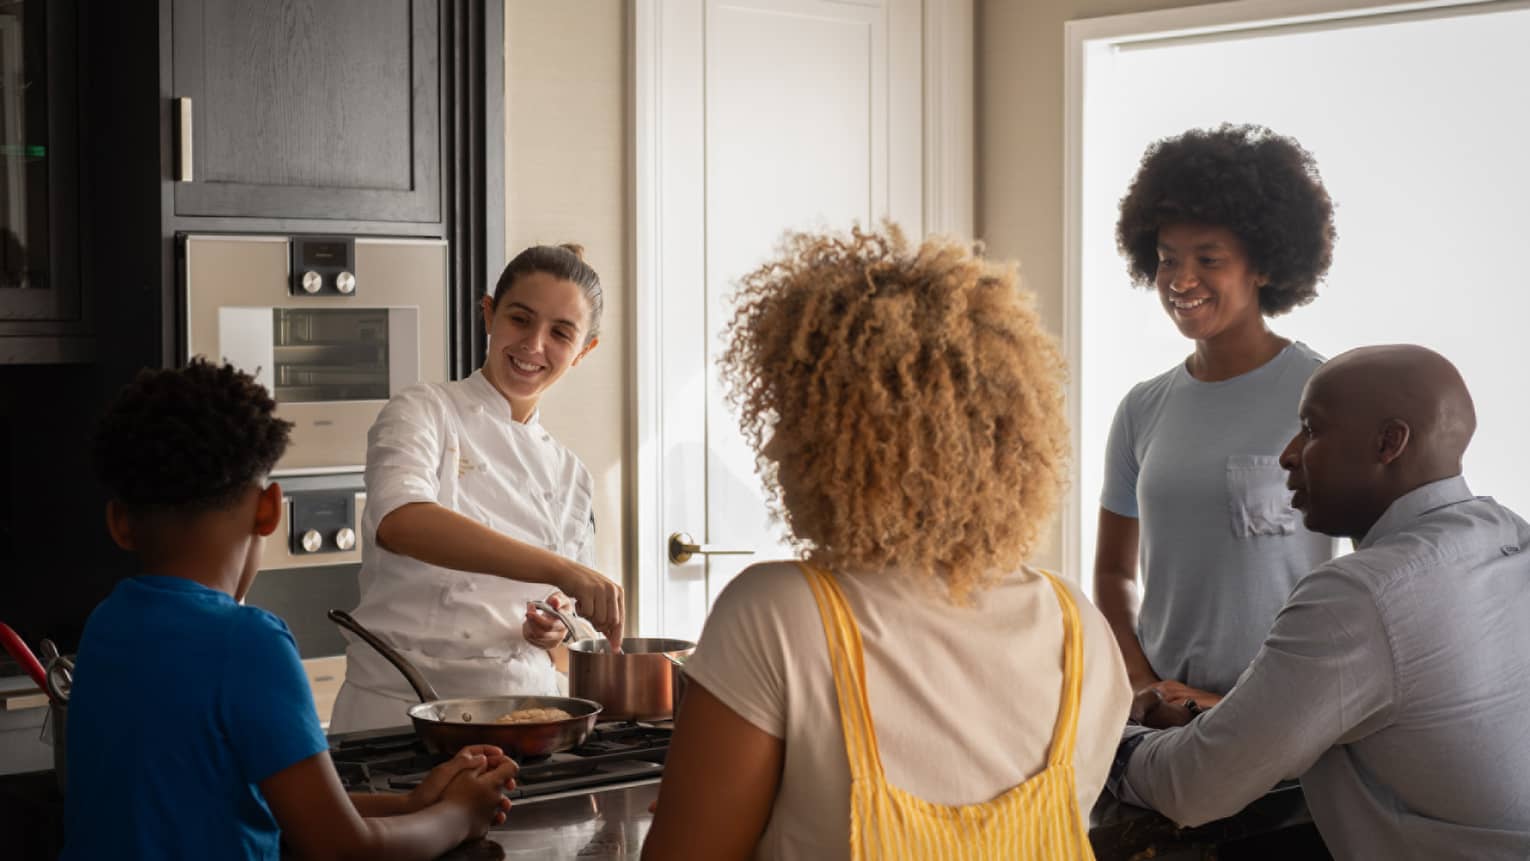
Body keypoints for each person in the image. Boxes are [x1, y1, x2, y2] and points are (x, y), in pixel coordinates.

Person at [642, 227, 1132, 860]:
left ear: (841, 437)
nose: (772, 447)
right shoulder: (1081, 628)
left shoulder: (779, 613)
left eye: (792, 418)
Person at [64, 359, 519, 861]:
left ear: (120, 523)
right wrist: (458, 816)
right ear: (269, 509)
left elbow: (260, 801)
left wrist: (413, 803)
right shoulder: (247, 642)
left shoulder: (107, 624)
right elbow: (339, 846)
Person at [1114, 345, 1530, 860]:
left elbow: (1193, 789)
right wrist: (1222, 723)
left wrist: (1104, 738)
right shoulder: (1510, 536)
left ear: (1388, 442)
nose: (1288, 454)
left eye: (1311, 429)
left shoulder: (1360, 594)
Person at [331, 243, 625, 733]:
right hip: (401, 713)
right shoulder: (424, 410)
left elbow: (562, 644)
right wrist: (561, 569)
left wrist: (552, 627)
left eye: (560, 333)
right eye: (520, 319)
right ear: (489, 314)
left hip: (524, 714)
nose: (533, 345)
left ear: (584, 351)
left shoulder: (570, 473)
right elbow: (401, 521)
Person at [1096, 124, 1339, 709]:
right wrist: (1141, 684)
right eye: (1167, 260)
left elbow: (1379, 573)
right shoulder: (1141, 409)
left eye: (1209, 259)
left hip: (1280, 723)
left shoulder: (1324, 394)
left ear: (1262, 265)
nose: (1181, 282)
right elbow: (1113, 576)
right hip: (1163, 725)